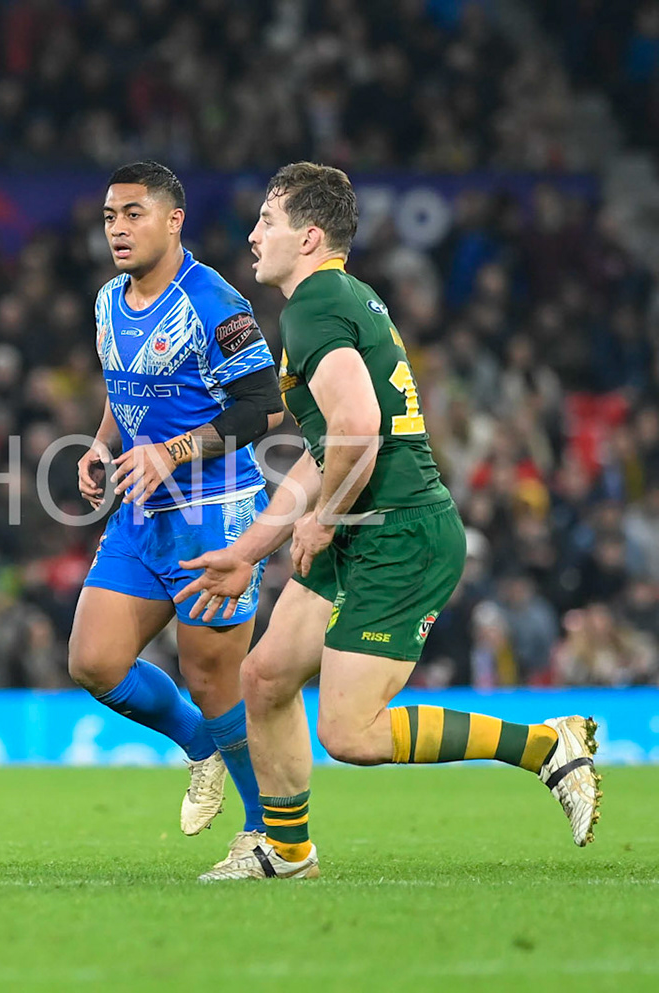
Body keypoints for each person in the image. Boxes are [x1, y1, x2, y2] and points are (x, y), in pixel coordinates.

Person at [181, 162, 600, 881]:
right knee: (266, 674)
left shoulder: (314, 306)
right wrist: (252, 548)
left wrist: (325, 520)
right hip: (367, 524)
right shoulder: (343, 298)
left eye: (269, 222)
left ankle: (545, 745)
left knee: (351, 733)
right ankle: (285, 849)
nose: (253, 235)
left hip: (398, 530)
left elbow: (361, 428)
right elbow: (325, 453)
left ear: (310, 237)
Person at [69, 162, 283, 871]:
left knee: (214, 677)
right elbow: (123, 388)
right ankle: (201, 746)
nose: (118, 229)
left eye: (133, 213)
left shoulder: (214, 302)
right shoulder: (106, 300)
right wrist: (104, 443)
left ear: (172, 219)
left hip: (213, 513)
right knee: (94, 661)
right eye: (109, 216)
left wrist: (173, 450)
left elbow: (261, 406)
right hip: (140, 509)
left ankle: (267, 833)